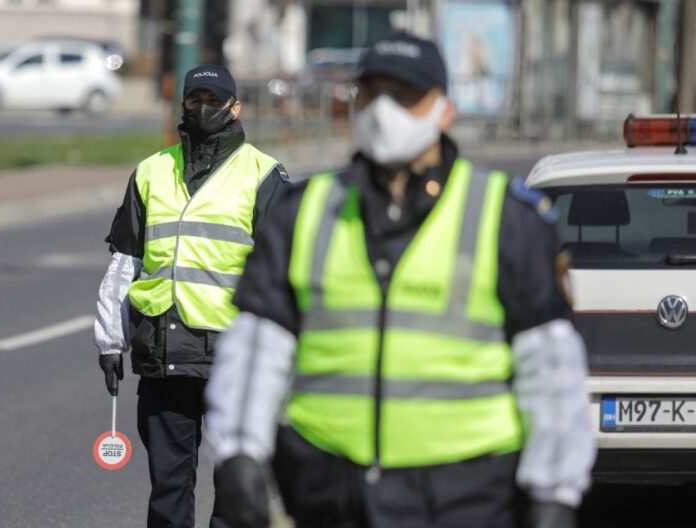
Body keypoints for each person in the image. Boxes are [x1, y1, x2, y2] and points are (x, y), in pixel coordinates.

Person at [205, 34, 596, 528]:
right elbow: (256, 349)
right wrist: (239, 456)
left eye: (406, 96)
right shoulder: (302, 212)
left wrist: (554, 494)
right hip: (329, 494)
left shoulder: (505, 218)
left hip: (465, 497)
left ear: (444, 111)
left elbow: (551, 369)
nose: (384, 111)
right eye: (372, 94)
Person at [94, 64, 289, 528]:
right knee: (168, 488)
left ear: (235, 107)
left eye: (214, 100)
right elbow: (126, 262)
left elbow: (284, 275)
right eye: (195, 99)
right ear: (182, 104)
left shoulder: (264, 175)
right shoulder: (151, 172)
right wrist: (109, 338)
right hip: (165, 353)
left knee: (238, 490)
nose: (203, 108)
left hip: (235, 360)